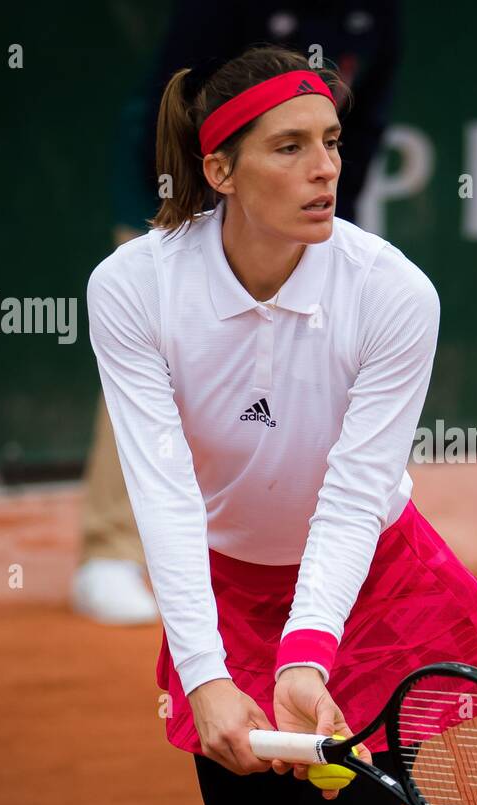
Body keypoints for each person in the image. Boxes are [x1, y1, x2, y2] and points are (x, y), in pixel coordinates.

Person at [85, 43, 477, 805]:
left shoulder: (394, 294)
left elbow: (355, 494)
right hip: (224, 598)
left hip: (376, 598)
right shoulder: (133, 289)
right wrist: (208, 677)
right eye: (289, 148)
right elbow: (164, 493)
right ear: (220, 169)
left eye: (331, 141)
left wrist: (306, 658)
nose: (324, 169)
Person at [73, 0, 403, 624]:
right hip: (175, 192)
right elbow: (183, 94)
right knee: (160, 379)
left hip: (286, 210)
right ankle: (111, 551)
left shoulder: (380, 10)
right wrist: (201, 234)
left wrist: (326, 224)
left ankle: (303, 548)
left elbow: (369, 117)